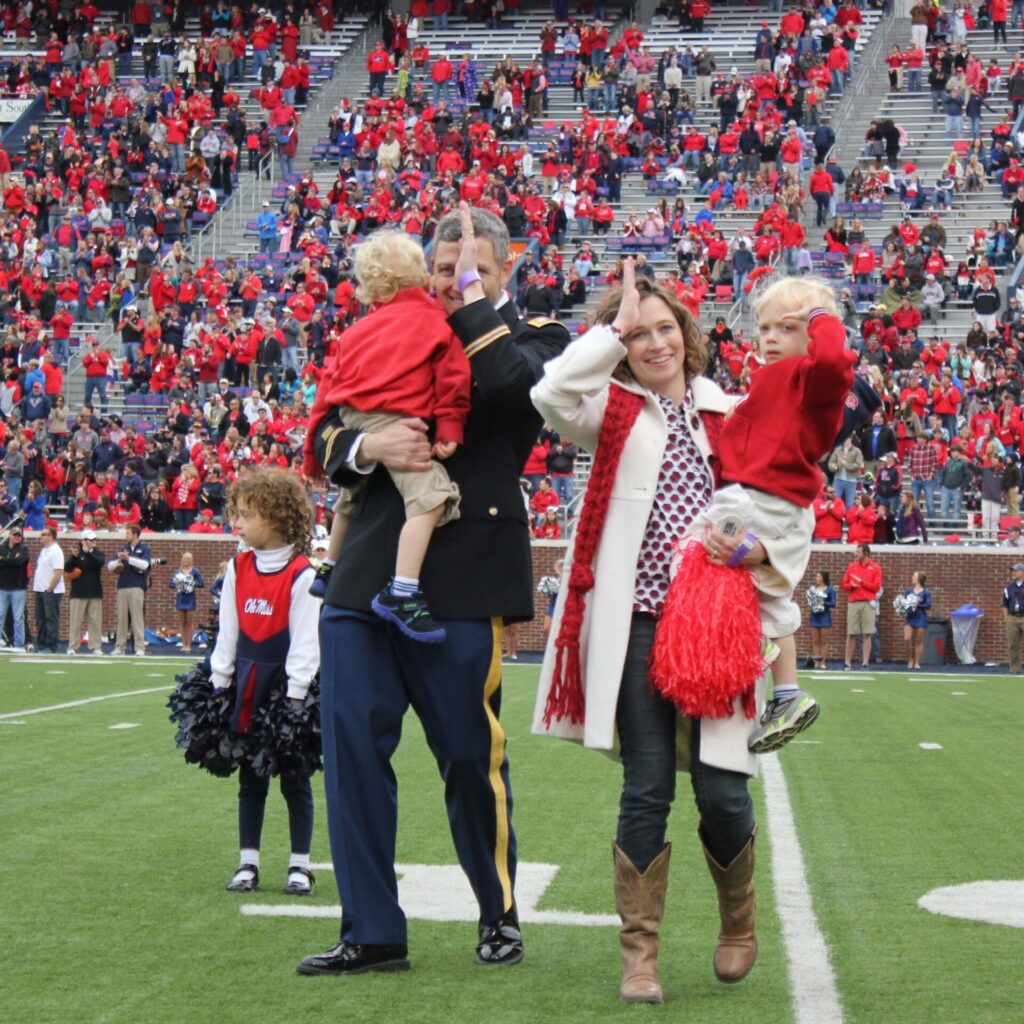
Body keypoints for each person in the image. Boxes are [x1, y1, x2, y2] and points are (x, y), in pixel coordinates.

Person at [298, 204, 569, 976]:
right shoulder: (389, 324)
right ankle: (373, 931)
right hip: (365, 576)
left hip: (463, 579)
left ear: (505, 269)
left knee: (466, 758)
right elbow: (323, 431)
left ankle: (498, 913)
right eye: (444, 271)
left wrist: (475, 307)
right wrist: (366, 443)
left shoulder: (535, 335)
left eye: (470, 271)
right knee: (351, 754)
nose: (452, 284)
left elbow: (518, 391)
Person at [531, 261, 777, 1004]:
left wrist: (767, 552)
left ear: (688, 335)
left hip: (716, 622)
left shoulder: (730, 412)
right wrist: (612, 326)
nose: (655, 343)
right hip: (637, 621)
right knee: (645, 789)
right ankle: (640, 955)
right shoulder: (605, 408)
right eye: (639, 334)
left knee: (723, 790)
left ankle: (738, 922)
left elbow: (783, 513)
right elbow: (549, 391)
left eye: (665, 328)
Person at [682, 275, 855, 755]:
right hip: (776, 501)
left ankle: (750, 645)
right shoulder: (771, 382)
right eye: (765, 328)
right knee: (770, 600)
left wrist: (822, 318)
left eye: (788, 327)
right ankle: (786, 693)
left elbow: (837, 362)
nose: (771, 337)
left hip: (762, 499)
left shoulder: (810, 381)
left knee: (691, 556)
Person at [304, 230, 470, 643]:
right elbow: (453, 382)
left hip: (351, 416)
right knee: (430, 501)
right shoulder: (435, 322)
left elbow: (324, 398)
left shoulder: (357, 330)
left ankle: (329, 565)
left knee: (350, 495)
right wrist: (449, 428)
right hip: (400, 421)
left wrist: (313, 458)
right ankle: (403, 592)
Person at [211, 469, 321, 897]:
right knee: (250, 777)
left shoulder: (303, 574)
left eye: (245, 515)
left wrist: (295, 699)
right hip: (247, 685)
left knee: (296, 779)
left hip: (287, 689)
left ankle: (300, 865)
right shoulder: (238, 567)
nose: (235, 523)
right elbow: (228, 633)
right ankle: (248, 862)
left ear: (275, 518)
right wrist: (220, 685)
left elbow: (306, 644)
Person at [108, 523, 151, 656]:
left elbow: (145, 565)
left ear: (135, 534)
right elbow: (110, 566)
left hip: (137, 586)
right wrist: (119, 561)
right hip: (122, 586)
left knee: (137, 618)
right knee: (122, 618)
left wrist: (128, 559)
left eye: (128, 533)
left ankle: (139, 647)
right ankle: (120, 647)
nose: (125, 535)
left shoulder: (144, 548)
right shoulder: (123, 548)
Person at [842, 544, 883, 669]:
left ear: (866, 553)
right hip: (853, 602)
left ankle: (865, 662)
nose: (855, 553)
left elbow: (876, 587)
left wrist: (861, 582)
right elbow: (844, 585)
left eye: (858, 552)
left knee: (867, 634)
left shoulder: (875, 568)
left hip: (868, 603)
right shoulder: (851, 567)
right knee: (851, 634)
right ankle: (847, 662)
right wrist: (851, 586)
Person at [65, 529, 105, 654]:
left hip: (94, 592)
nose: (94, 541)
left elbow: (98, 564)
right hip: (78, 592)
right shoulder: (77, 554)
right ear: (83, 541)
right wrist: (73, 557)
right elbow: (67, 568)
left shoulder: (98, 553)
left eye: (95, 539)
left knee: (95, 621)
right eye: (91, 539)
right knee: (75, 621)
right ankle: (73, 646)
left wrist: (88, 554)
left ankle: (95, 646)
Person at [30, 526, 64, 654]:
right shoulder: (44, 550)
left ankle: (51, 645)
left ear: (51, 536)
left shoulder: (56, 551)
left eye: (44, 534)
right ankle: (41, 644)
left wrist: (50, 588)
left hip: (50, 590)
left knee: (51, 618)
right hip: (40, 589)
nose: (41, 537)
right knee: (40, 618)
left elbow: (58, 572)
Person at [0, 523, 29, 651]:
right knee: (0, 615)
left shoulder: (24, 549)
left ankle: (19, 644)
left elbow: (19, 562)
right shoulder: (2, 547)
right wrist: (11, 560)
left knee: (18, 617)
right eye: (15, 535)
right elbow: (14, 562)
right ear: (10, 535)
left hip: (18, 589)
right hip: (2, 587)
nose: (17, 537)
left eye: (19, 535)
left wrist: (3, 559)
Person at [170, 551, 205, 654]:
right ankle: (183, 644)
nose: (186, 560)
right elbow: (171, 584)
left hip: (190, 598)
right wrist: (178, 583)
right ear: (182, 559)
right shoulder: (177, 571)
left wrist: (192, 583)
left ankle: (189, 644)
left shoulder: (195, 571)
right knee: (182, 622)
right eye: (185, 558)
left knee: (189, 622)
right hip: (180, 598)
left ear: (192, 560)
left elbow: (201, 583)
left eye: (189, 558)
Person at [899, 571, 931, 669]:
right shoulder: (909, 591)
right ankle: (910, 659)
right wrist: (902, 605)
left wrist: (917, 603)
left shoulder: (925, 592)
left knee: (919, 642)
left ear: (919, 579)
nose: (912, 577)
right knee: (907, 638)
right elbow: (902, 601)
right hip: (910, 617)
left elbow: (928, 605)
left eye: (915, 576)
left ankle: (917, 662)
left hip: (921, 618)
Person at [806, 570, 836, 670]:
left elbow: (833, 603)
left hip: (825, 617)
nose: (816, 578)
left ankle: (822, 662)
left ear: (823, 578)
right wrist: (812, 601)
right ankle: (816, 662)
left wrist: (822, 602)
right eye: (816, 577)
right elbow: (809, 602)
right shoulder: (813, 589)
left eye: (818, 577)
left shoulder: (830, 590)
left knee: (824, 641)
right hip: (814, 616)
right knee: (815, 641)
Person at [1001, 562, 1024, 673]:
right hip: (1012, 617)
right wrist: (1006, 618)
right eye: (1013, 571)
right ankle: (1015, 669)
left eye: (1016, 571)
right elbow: (1004, 603)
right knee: (1013, 645)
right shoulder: (1009, 588)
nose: (1013, 573)